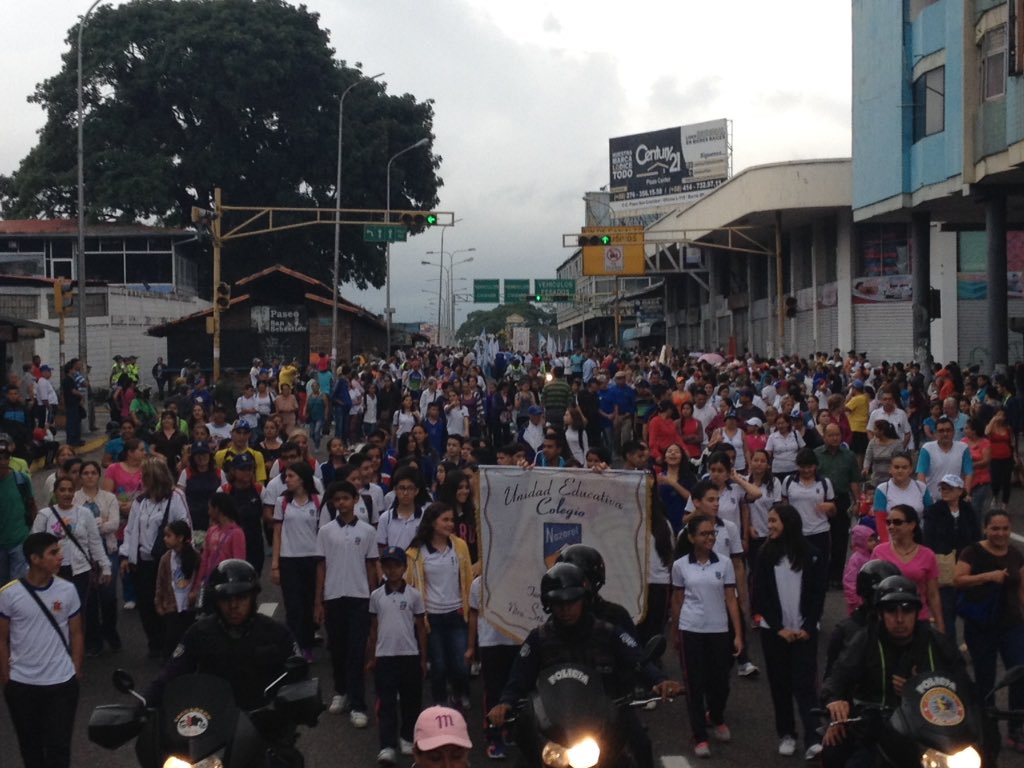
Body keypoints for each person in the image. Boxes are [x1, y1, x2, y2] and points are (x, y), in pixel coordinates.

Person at [488, 563, 682, 768]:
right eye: (558, 603)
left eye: (572, 602)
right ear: (548, 604)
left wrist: (661, 681)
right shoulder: (539, 638)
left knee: (640, 746)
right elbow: (519, 675)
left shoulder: (608, 632)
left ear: (584, 599)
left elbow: (638, 660)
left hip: (606, 718)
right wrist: (505, 703)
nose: (565, 609)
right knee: (525, 759)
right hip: (554, 727)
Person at [821, 576, 964, 764]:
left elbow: (963, 684)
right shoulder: (865, 640)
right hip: (876, 733)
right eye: (891, 610)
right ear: (880, 614)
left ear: (917, 613)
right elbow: (836, 678)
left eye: (907, 610)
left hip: (931, 734)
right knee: (845, 756)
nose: (899, 618)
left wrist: (920, 691)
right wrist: (835, 701)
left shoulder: (936, 641)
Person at [145, 559, 300, 711]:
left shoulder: (277, 634)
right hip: (213, 722)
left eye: (241, 598)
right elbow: (171, 673)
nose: (233, 606)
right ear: (216, 601)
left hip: (265, 723)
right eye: (226, 599)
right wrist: (143, 706)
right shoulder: (199, 633)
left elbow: (299, 679)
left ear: (253, 597)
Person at [750, 504, 827, 760]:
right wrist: (778, 628)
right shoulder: (764, 555)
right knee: (779, 684)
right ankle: (787, 734)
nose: (769, 525)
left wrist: (807, 627)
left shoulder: (812, 554)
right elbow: (760, 596)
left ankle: (813, 738)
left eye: (774, 521)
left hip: (805, 632)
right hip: (775, 634)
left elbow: (818, 595)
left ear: (789, 523)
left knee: (805, 686)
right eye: (769, 521)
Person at [0, 532, 83, 768]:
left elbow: (76, 633)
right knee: (31, 749)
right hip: (22, 685)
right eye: (53, 553)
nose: (60, 557)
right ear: (35, 559)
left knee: (59, 749)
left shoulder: (67, 590)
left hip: (61, 683)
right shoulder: (9, 594)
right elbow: (2, 638)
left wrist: (75, 670)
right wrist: (6, 678)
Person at [671, 514, 744, 757]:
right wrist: (675, 634)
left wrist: (738, 634)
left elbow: (731, 599)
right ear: (691, 537)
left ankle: (717, 716)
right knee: (694, 684)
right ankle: (700, 736)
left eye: (712, 533)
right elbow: (678, 600)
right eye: (704, 534)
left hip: (719, 630)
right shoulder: (680, 566)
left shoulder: (723, 564)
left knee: (720, 682)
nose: (710, 537)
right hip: (691, 629)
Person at [953, 508, 1024, 751]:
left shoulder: (1015, 554)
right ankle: (987, 729)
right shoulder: (972, 552)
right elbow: (958, 580)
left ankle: (1016, 727)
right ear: (985, 528)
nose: (1000, 533)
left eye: (1005, 528)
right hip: (981, 625)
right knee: (986, 679)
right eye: (995, 528)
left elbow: (1021, 589)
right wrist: (987, 576)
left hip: (1012, 624)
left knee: (1019, 674)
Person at [313, 480, 379, 728]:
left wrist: (374, 598)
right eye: (337, 499)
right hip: (333, 597)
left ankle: (358, 703)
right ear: (332, 502)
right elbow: (321, 566)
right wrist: (318, 601)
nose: (342, 503)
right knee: (338, 649)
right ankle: (340, 691)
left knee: (356, 651)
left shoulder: (367, 532)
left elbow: (372, 566)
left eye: (346, 498)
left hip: (360, 597)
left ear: (355, 500)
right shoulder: (326, 531)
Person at [119, 457, 191, 657]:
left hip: (167, 562)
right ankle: (155, 642)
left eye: (146, 476)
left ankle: (171, 645)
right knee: (146, 604)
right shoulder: (140, 501)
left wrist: (184, 553)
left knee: (169, 603)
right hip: (144, 563)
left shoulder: (175, 497)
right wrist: (125, 555)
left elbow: (184, 525)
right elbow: (131, 530)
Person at [405, 502, 474, 710]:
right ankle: (440, 703)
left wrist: (468, 606)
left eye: (452, 520)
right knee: (440, 665)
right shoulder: (416, 552)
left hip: (456, 613)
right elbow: (412, 582)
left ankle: (459, 691)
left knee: (461, 663)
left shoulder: (459, 546)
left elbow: (468, 578)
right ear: (432, 522)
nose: (450, 524)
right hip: (432, 616)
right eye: (445, 520)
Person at [368, 546, 427, 766]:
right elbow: (373, 629)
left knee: (411, 699)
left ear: (404, 567)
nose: (392, 571)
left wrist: (422, 658)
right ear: (383, 568)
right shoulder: (376, 596)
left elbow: (421, 628)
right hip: (385, 655)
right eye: (388, 566)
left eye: (396, 566)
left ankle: (407, 737)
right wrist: (373, 656)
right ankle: (387, 745)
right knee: (387, 702)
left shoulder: (414, 595)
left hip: (409, 654)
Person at [271, 461, 329, 660]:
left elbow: (324, 533)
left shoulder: (318, 501)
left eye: (291, 476)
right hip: (289, 559)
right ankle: (297, 646)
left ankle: (308, 641)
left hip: (312, 559)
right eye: (286, 476)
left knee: (310, 603)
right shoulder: (282, 502)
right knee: (293, 605)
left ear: (302, 479)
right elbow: (277, 533)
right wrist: (275, 564)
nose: (287, 480)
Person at [923, 474, 981, 641]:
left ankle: (973, 644)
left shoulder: (969, 510)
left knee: (971, 609)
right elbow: (928, 540)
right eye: (943, 488)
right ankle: (949, 650)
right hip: (943, 568)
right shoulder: (933, 511)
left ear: (960, 491)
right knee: (946, 610)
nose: (945, 491)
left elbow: (977, 536)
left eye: (950, 488)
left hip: (966, 567)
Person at [870, 504, 944, 634]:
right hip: (888, 620)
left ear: (912, 525)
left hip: (918, 619)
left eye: (897, 522)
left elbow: (933, 594)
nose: (891, 526)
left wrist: (940, 626)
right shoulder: (879, 552)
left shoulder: (928, 555)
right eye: (888, 522)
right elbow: (871, 590)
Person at [154, 519, 198, 657]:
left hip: (189, 607)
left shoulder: (195, 557)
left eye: (169, 536)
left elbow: (199, 579)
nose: (165, 539)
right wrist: (159, 603)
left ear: (180, 538)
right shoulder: (166, 559)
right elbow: (160, 583)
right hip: (172, 607)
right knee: (171, 642)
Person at [0, 436, 35, 583]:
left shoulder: (21, 479)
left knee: (18, 585)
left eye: (5, 456)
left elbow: (32, 506)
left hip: (19, 541)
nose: (2, 460)